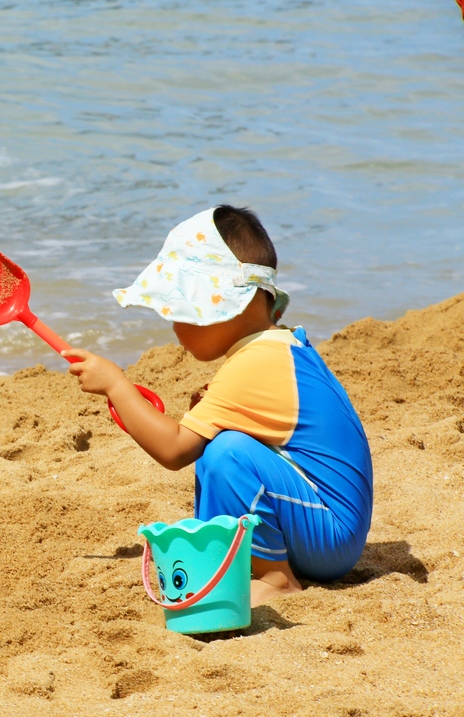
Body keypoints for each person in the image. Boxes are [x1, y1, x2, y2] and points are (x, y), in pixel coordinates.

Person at [63, 206, 373, 607]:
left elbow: (174, 450)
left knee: (227, 454)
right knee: (222, 446)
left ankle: (274, 578)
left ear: (234, 304)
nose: (174, 325)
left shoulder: (256, 362)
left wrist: (117, 386)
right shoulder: (277, 347)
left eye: (183, 311)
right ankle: (253, 562)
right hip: (325, 526)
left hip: (331, 535)